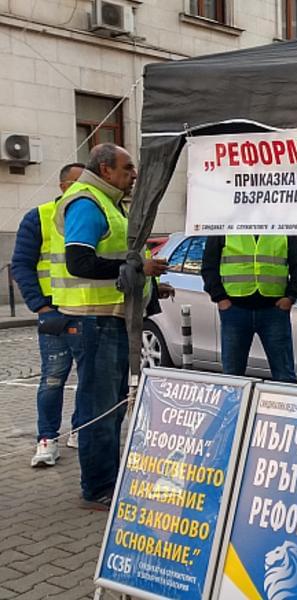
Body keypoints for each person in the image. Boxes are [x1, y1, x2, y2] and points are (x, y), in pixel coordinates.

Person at [49, 143, 168, 508]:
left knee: (112, 406)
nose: (133, 175)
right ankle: (98, 488)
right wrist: (138, 271)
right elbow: (80, 262)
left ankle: (107, 480)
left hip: (108, 319)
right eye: (127, 167)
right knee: (100, 407)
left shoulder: (108, 201)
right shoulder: (87, 202)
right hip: (94, 321)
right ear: (105, 170)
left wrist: (150, 284)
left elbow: (116, 260)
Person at [12, 162, 84, 466]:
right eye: (80, 184)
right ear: (63, 186)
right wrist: (40, 306)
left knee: (91, 379)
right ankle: (47, 438)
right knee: (53, 379)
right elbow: (21, 265)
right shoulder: (38, 218)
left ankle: (81, 429)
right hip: (55, 312)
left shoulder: (95, 213)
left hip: (89, 310)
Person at [201, 234, 297, 382]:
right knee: (232, 376)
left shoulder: (283, 226)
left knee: (284, 376)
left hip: (273, 310)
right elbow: (209, 266)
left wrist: (291, 297)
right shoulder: (227, 226)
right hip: (235, 310)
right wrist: (220, 298)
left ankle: (284, 405)